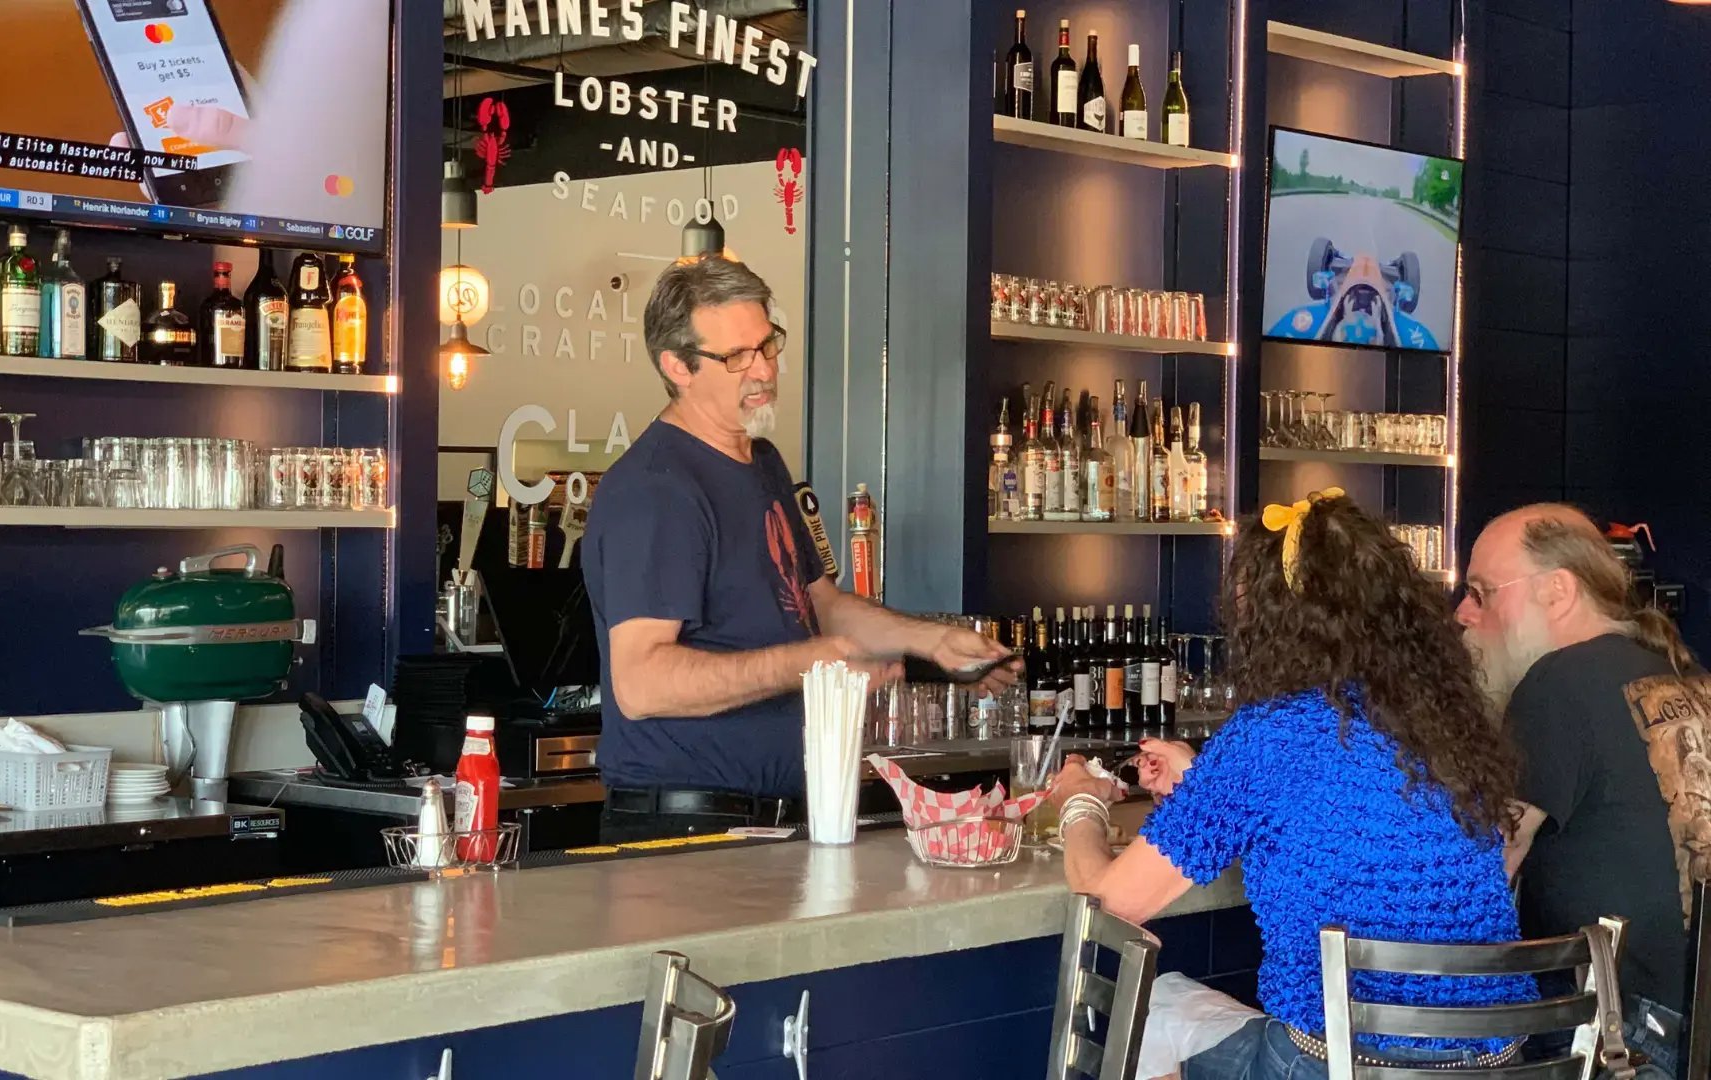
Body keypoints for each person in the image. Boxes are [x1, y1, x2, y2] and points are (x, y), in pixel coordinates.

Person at [1048, 490, 1534, 1080]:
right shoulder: (1448, 725)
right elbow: (1352, 814)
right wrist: (1203, 780)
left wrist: (1079, 801)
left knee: (1151, 1010)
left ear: (1274, 623)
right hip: (1497, 1065)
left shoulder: (1271, 736)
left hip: (1335, 1066)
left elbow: (1111, 902)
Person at [582, 257, 1017, 843]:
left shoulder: (762, 463)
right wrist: (810, 663)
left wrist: (933, 642)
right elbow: (641, 684)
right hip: (684, 829)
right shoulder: (657, 489)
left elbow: (820, 605)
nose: (764, 370)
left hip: (774, 820)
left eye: (768, 345)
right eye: (736, 357)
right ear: (677, 366)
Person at [1459, 504, 1693, 1079]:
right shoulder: (1679, 672)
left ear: (1557, 592)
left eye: (1482, 593)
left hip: (1621, 1036)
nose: (1462, 613)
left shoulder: (1558, 681)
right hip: (1688, 1027)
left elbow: (1483, 867)